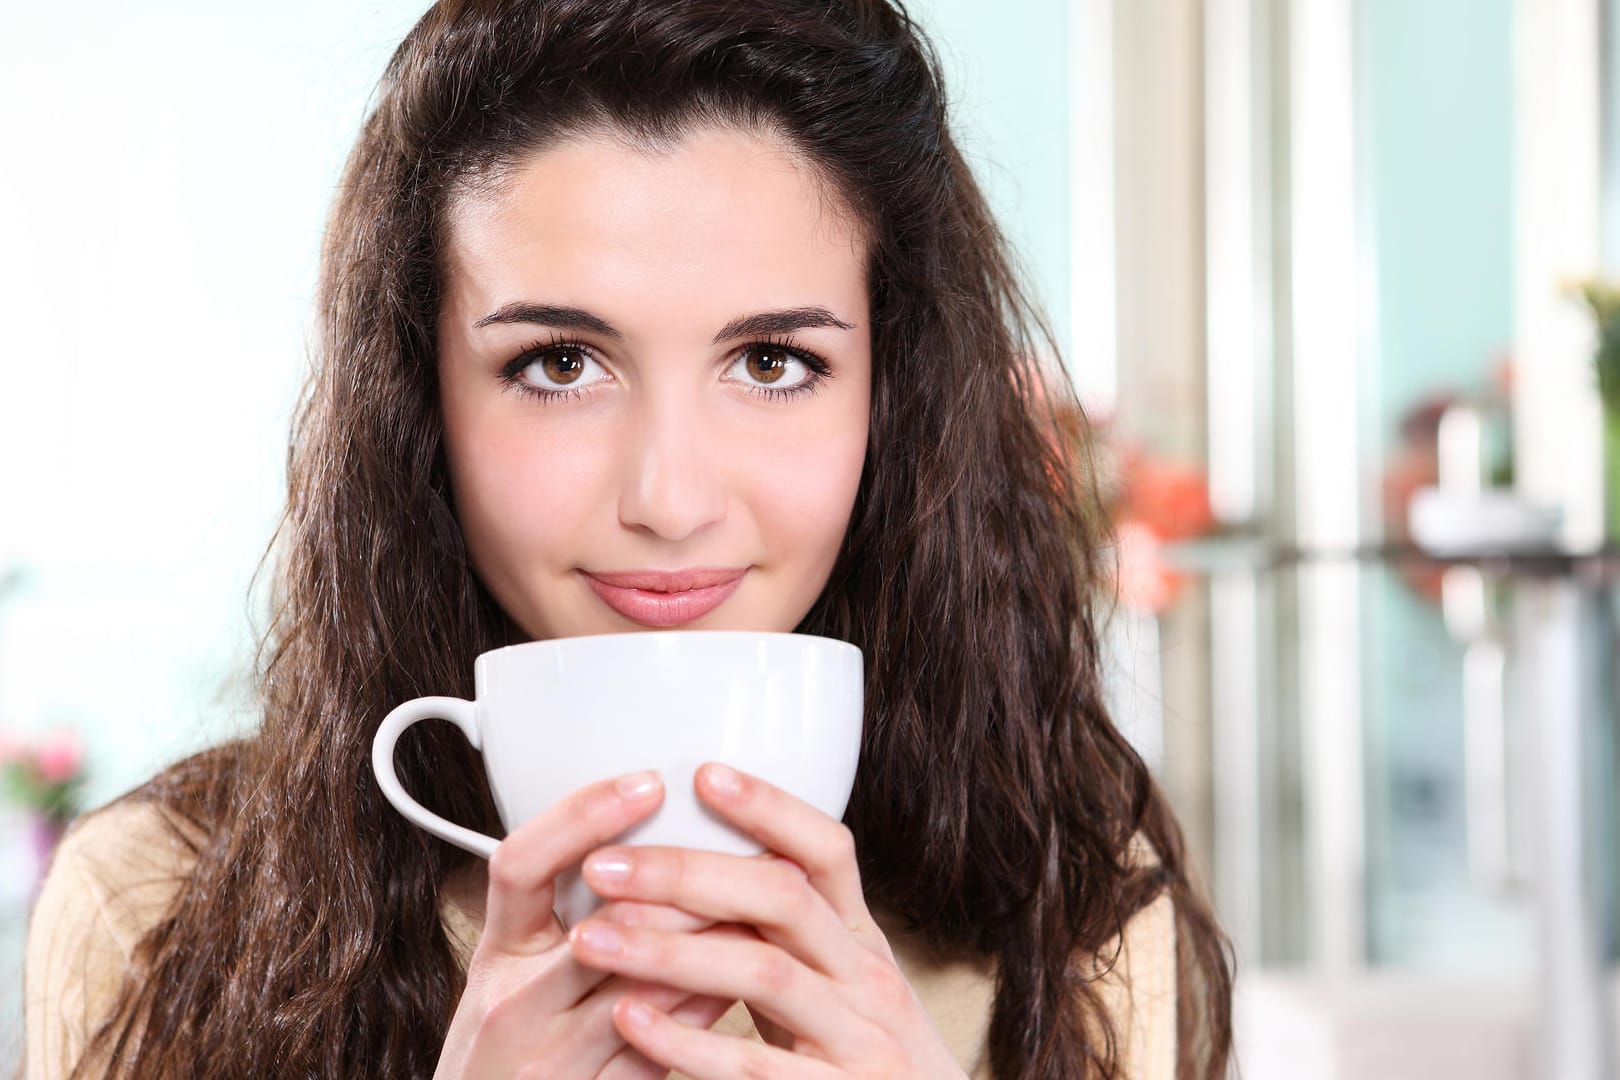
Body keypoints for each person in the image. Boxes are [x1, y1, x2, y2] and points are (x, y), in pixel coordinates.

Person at [24, 0, 1234, 1076]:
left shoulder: (1077, 916)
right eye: (559, 364)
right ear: (419, 399)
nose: (668, 495)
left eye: (773, 363)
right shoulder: (154, 903)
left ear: (894, 395)